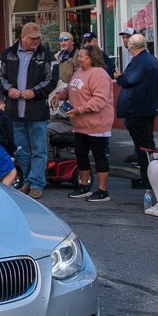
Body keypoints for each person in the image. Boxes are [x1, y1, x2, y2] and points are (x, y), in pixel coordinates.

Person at [0, 22, 58, 199]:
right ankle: (29, 181)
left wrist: (35, 92)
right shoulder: (8, 54)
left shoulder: (46, 55)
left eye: (38, 38)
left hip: (37, 112)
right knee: (21, 150)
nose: (36, 41)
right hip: (14, 112)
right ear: (23, 37)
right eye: (33, 38)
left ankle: (37, 184)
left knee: (39, 150)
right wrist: (8, 89)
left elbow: (52, 78)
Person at [52, 46, 115, 202]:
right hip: (80, 125)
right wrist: (60, 95)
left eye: (82, 57)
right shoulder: (78, 72)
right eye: (78, 56)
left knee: (99, 156)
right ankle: (84, 186)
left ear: (92, 58)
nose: (79, 59)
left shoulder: (99, 74)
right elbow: (70, 88)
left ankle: (102, 191)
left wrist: (79, 110)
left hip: (96, 124)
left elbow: (99, 101)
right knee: (81, 155)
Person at [115, 33, 158, 188]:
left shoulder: (140, 61)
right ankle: (150, 177)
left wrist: (119, 77)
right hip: (148, 108)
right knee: (147, 145)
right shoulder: (151, 59)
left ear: (132, 47)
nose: (128, 48)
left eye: (129, 46)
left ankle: (148, 179)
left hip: (138, 109)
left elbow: (129, 80)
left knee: (143, 148)